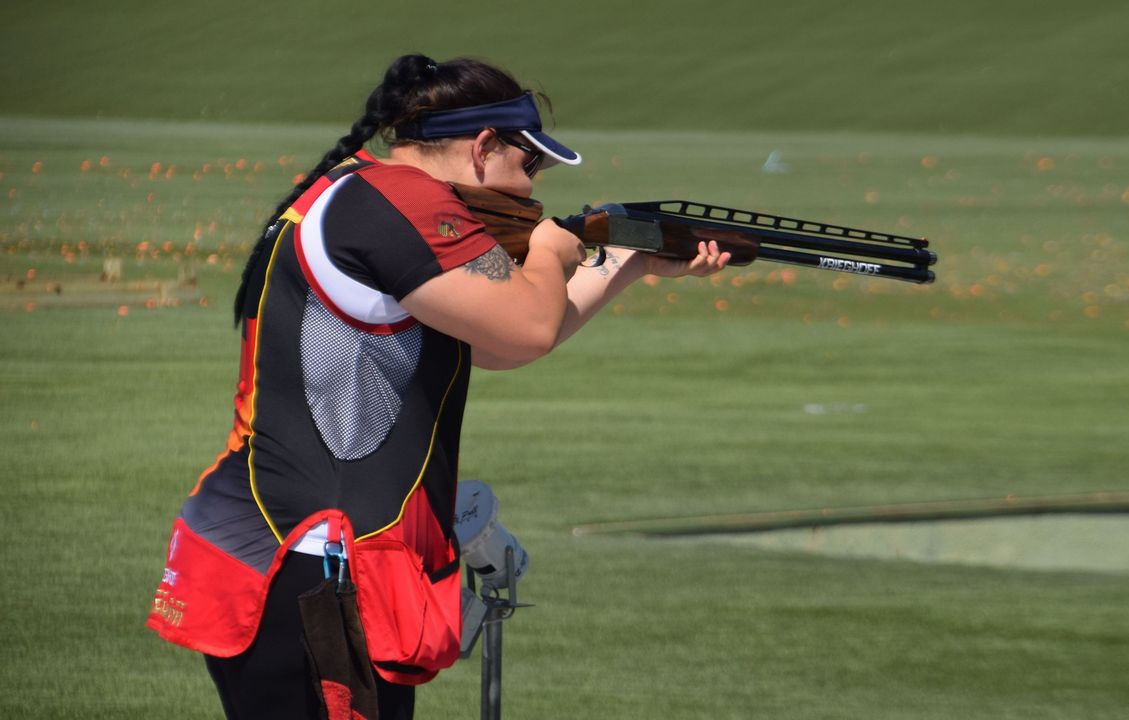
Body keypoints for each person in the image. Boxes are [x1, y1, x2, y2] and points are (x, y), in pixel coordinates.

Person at [146, 53, 729, 719]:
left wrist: (628, 263)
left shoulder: (361, 192)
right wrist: (549, 247)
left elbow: (497, 340)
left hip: (286, 552)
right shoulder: (407, 203)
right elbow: (528, 327)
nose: (528, 187)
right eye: (527, 165)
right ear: (484, 147)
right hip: (321, 565)